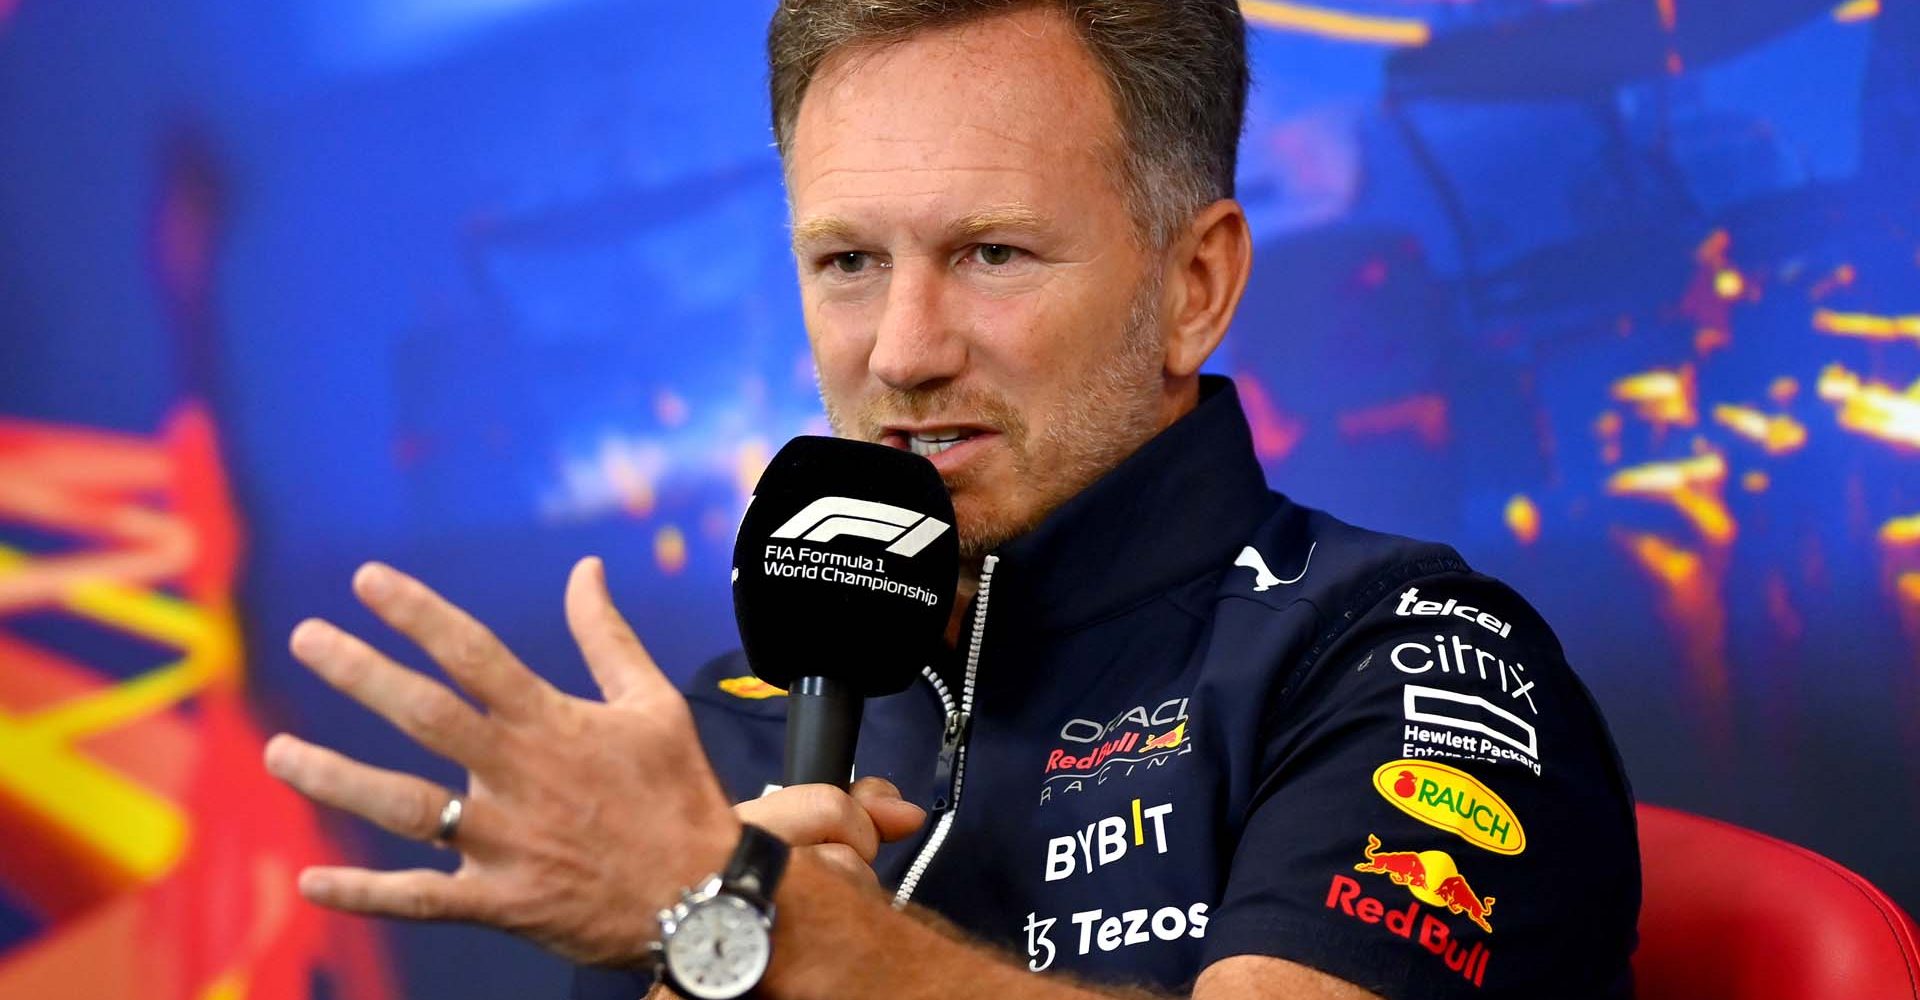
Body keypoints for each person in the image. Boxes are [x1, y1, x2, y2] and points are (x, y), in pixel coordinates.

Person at [263, 2, 1642, 998]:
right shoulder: (715, 740)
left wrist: (801, 945)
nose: (902, 350)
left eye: (990, 252)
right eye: (849, 261)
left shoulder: (1400, 659)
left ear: (1196, 287)